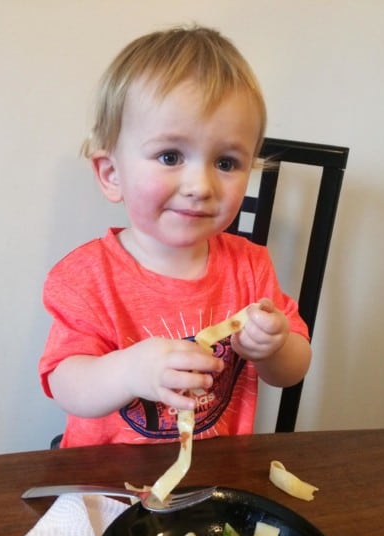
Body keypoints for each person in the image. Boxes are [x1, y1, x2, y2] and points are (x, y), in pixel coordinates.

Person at [39, 25, 311, 448]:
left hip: (215, 475)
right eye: (170, 156)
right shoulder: (86, 277)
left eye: (225, 162)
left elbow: (292, 371)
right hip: (106, 477)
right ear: (112, 174)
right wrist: (130, 371)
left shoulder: (250, 266)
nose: (200, 186)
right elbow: (64, 384)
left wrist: (274, 348)